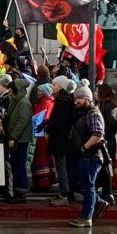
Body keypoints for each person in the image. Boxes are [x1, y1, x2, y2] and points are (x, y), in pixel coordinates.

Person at [68, 85, 106, 227]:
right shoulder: (83, 113)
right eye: (76, 98)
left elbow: (97, 134)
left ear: (87, 99)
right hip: (82, 156)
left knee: (88, 186)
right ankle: (98, 202)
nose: (76, 101)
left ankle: (86, 217)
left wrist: (84, 147)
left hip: (91, 157)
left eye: (79, 98)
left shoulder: (93, 113)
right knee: (79, 184)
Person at [46, 75, 77, 205]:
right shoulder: (64, 100)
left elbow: (60, 121)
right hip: (62, 138)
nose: (52, 87)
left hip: (60, 139)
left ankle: (65, 194)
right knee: (62, 166)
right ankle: (65, 193)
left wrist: (49, 127)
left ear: (60, 86)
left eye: (54, 85)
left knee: (61, 167)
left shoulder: (63, 101)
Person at [3, 74, 33, 204]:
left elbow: (22, 121)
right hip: (16, 139)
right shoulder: (16, 101)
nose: (9, 92)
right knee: (15, 165)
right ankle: (17, 190)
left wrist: (13, 137)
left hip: (20, 140)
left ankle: (21, 192)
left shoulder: (23, 103)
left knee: (19, 166)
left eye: (11, 90)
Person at [94, 83, 117, 208]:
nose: (95, 93)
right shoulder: (108, 105)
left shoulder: (108, 107)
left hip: (107, 141)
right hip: (108, 140)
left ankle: (107, 193)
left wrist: (103, 134)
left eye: (97, 91)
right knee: (105, 166)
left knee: (105, 166)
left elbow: (112, 124)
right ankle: (105, 191)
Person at [30, 72, 57, 193]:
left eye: (40, 91)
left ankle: (43, 183)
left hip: (42, 137)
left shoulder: (46, 103)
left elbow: (43, 118)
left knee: (42, 159)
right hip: (40, 135)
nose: (37, 93)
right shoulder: (44, 102)